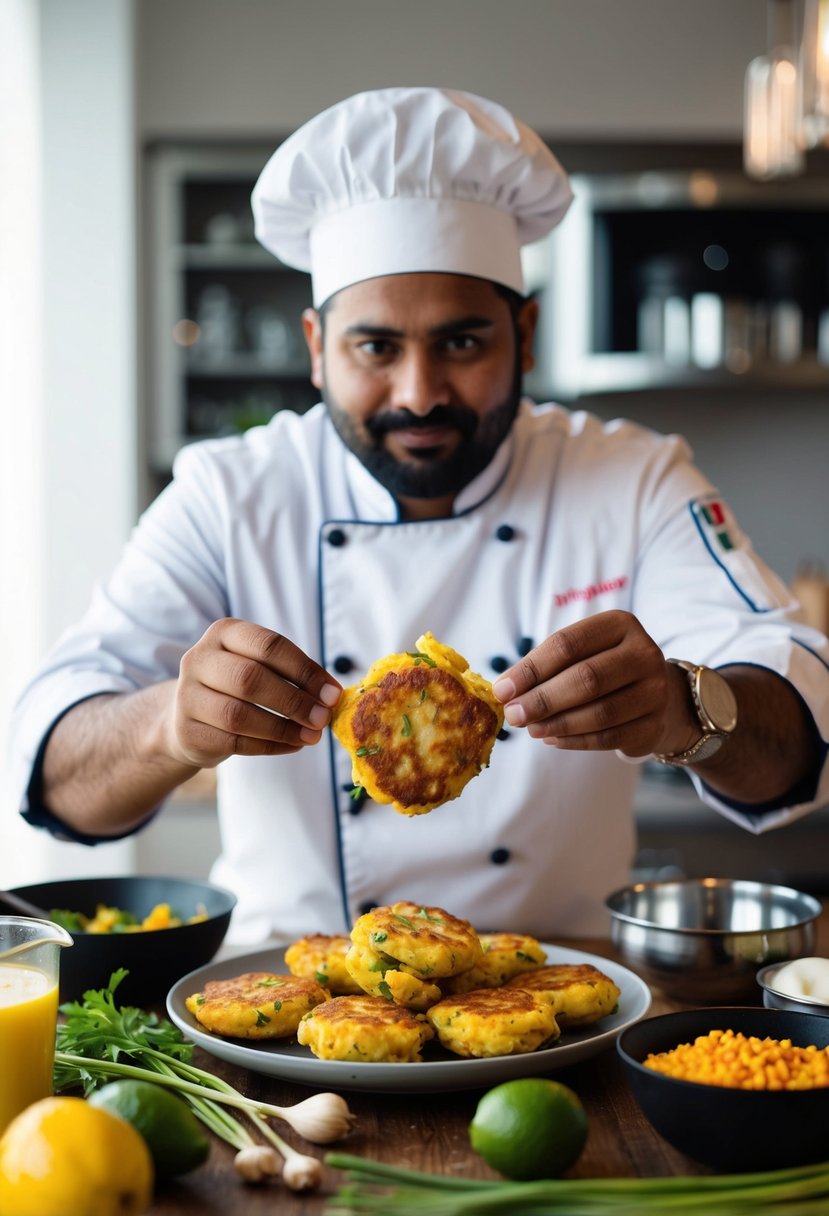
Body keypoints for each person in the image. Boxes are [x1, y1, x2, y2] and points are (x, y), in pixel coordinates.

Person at [9, 87, 829, 945]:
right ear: (316, 350)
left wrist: (679, 710)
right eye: (376, 347)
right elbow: (55, 772)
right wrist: (169, 725)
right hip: (291, 1006)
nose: (419, 392)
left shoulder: (631, 476)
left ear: (527, 334)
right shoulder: (229, 492)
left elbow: (798, 721)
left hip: (558, 996)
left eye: (462, 342)